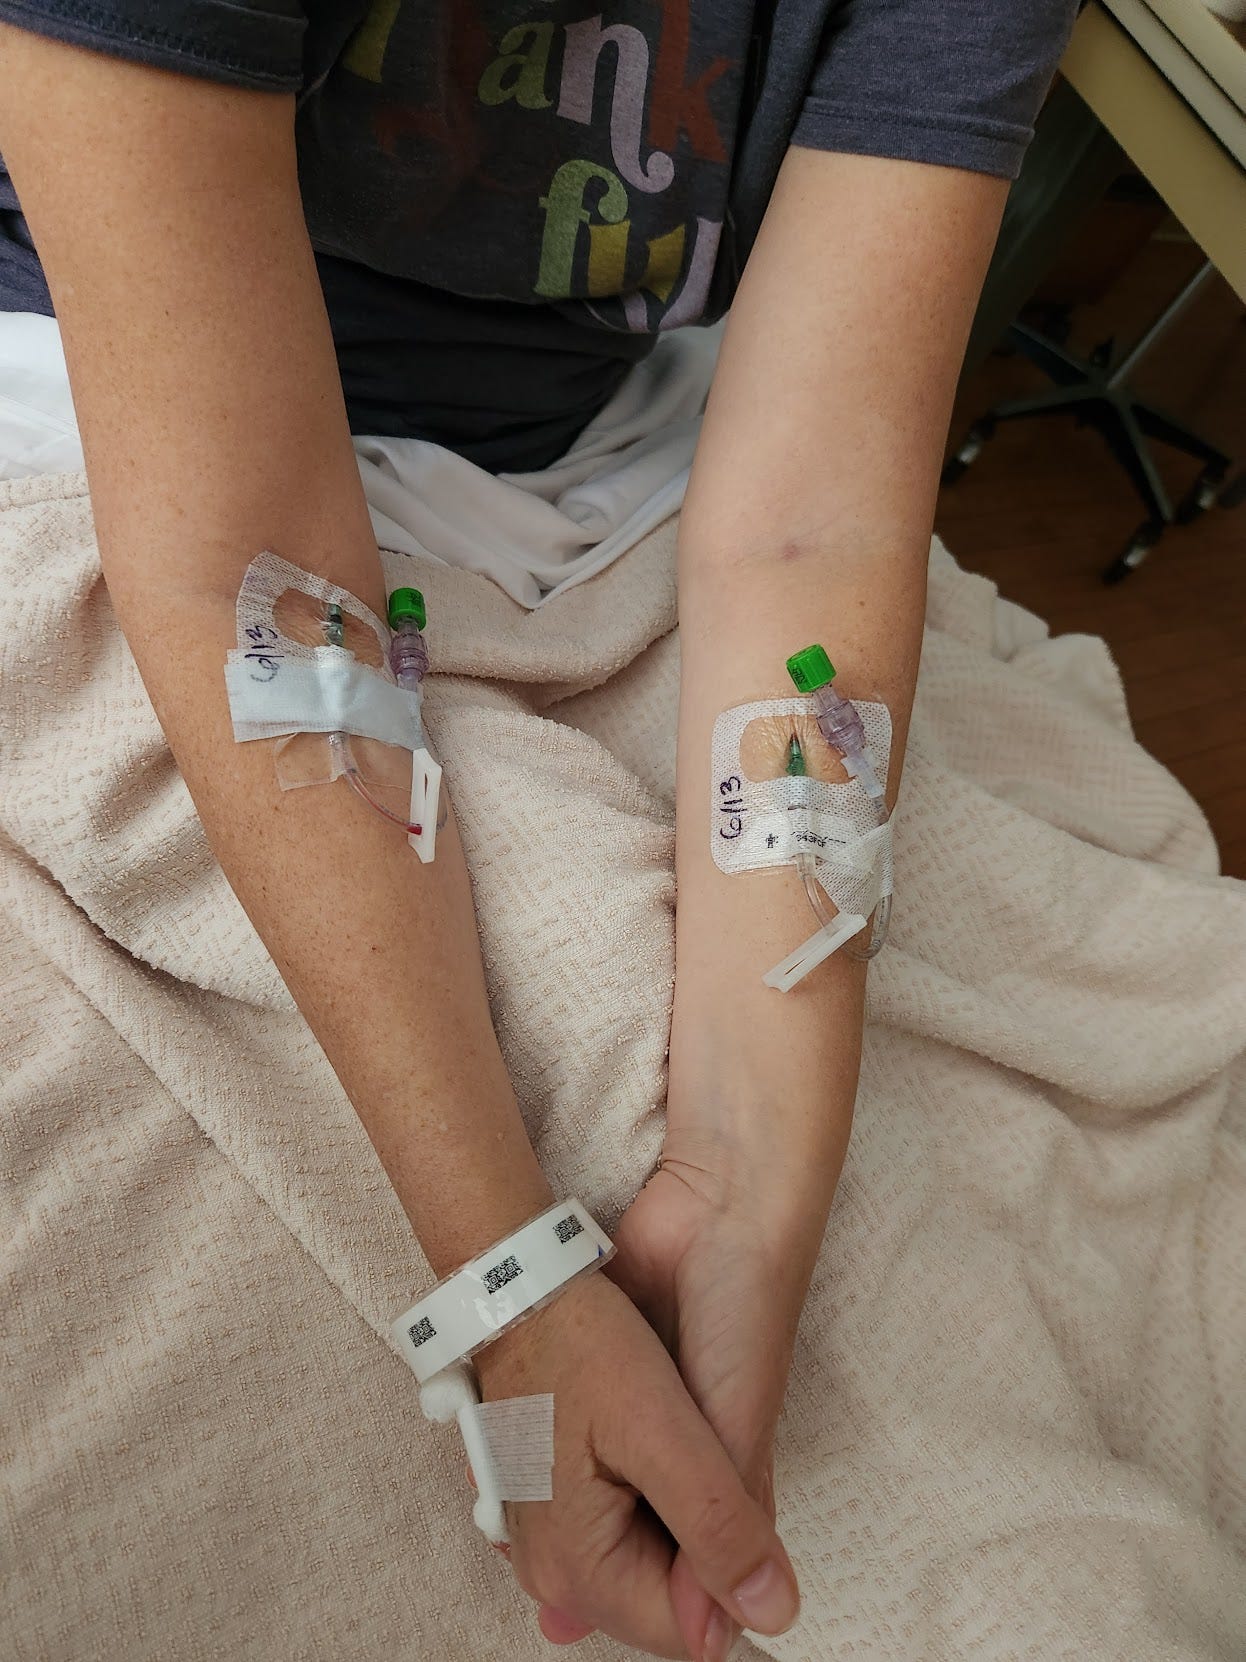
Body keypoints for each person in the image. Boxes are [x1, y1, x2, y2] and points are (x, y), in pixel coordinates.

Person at [0, 4, 1078, 1657]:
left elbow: (806, 537)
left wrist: (741, 1187)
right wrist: (499, 1285)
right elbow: (252, 569)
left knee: (983, 1216)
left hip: (614, 472)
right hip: (109, 399)